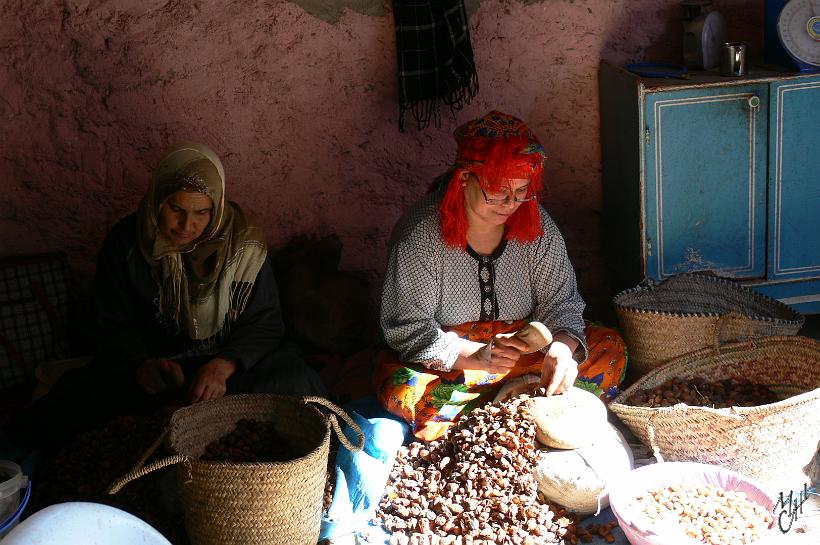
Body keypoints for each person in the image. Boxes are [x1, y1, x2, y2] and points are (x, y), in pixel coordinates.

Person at [5, 142, 325, 450]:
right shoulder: (127, 243)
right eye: (176, 209)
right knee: (69, 404)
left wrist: (222, 366)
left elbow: (265, 321)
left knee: (296, 381)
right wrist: (140, 367)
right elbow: (109, 324)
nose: (188, 225)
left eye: (202, 212)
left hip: (223, 374)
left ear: (217, 205)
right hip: (152, 372)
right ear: (158, 199)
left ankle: (196, 419)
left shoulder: (244, 245)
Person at [374, 111, 627, 441]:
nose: (511, 203)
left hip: (524, 354)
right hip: (457, 360)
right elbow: (409, 329)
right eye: (498, 191)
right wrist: (475, 356)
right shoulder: (421, 236)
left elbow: (562, 305)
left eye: (522, 190)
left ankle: (506, 404)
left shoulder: (538, 229)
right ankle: (519, 408)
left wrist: (561, 350)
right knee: (404, 391)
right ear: (465, 178)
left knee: (609, 350)